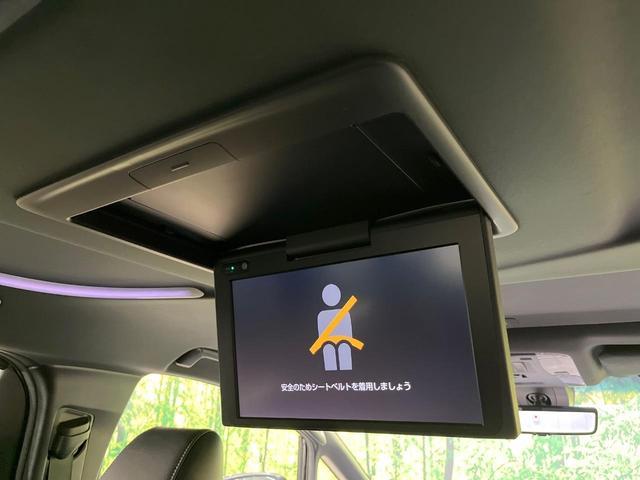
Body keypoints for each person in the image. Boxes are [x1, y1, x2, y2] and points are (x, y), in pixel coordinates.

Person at [317, 284, 353, 371]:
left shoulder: (345, 314)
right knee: (328, 349)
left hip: (344, 341)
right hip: (327, 342)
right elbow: (321, 335)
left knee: (344, 347)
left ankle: (346, 371)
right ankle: (331, 371)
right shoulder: (321, 315)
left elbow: (349, 333)